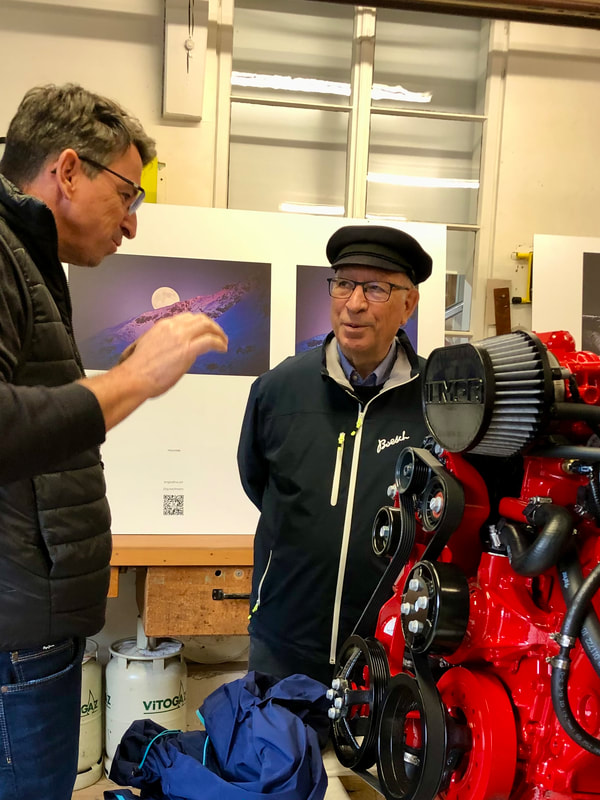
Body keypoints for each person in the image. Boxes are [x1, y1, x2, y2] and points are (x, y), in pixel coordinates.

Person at [0, 84, 228, 800]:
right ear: (68, 171)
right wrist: (134, 379)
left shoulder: (27, 258)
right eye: (127, 194)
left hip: (30, 628)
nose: (130, 222)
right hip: (15, 640)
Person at [237, 224, 432, 687]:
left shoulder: (433, 403)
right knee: (277, 737)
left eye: (376, 288)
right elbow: (256, 481)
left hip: (388, 649)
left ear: (408, 304)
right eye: (344, 283)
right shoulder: (279, 390)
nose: (354, 303)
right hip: (284, 640)